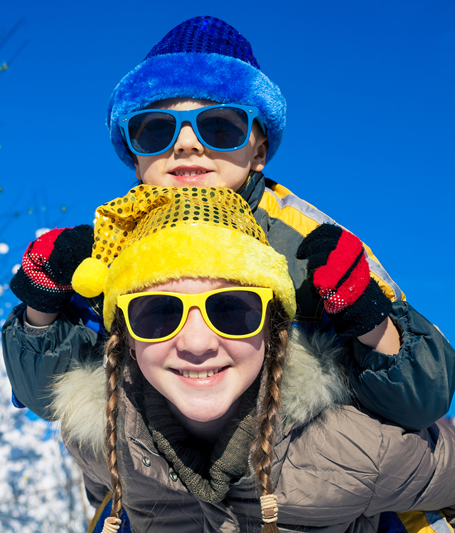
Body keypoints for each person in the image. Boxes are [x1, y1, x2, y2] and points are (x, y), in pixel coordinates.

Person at [2, 16, 455, 432]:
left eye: (219, 128)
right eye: (156, 130)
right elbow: (53, 397)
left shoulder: (307, 241)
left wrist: (367, 317)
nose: (186, 145)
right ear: (135, 156)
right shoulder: (112, 244)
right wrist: (41, 308)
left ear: (257, 152)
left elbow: (422, 400)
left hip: (305, 477)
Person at [48, 185, 455, 533]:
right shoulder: (102, 440)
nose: (197, 342)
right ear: (126, 339)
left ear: (271, 328)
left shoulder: (351, 449)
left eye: (231, 310)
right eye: (159, 313)